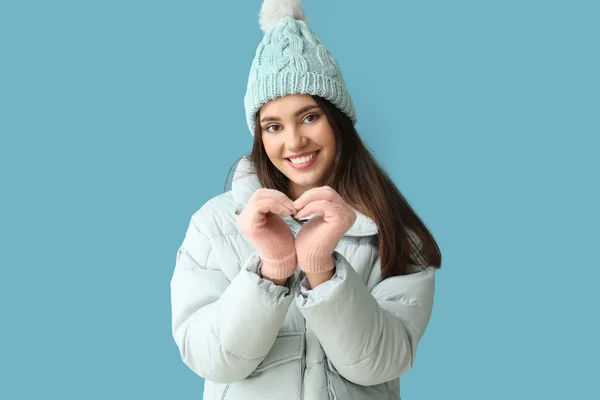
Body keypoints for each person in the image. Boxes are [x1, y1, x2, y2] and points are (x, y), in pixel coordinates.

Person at [170, 0, 442, 398]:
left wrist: (322, 268)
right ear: (259, 136)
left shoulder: (395, 232)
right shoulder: (214, 225)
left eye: (310, 117)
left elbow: (381, 362)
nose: (294, 141)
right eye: (274, 126)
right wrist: (272, 269)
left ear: (337, 120)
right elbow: (210, 358)